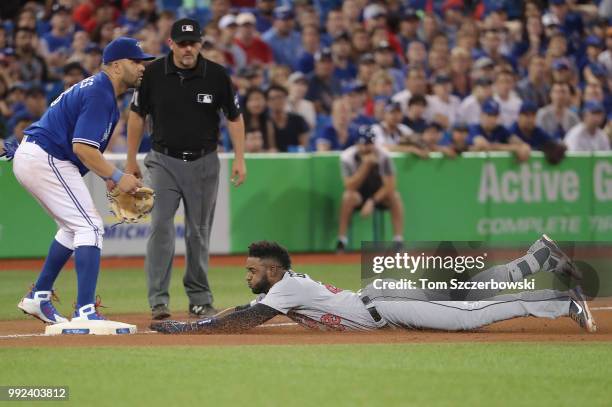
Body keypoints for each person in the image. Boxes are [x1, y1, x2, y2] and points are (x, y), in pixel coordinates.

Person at [150, 238, 596, 334]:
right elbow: (242, 310)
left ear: (272, 270)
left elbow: (245, 319)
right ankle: (538, 259)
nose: (247, 277)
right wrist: (205, 321)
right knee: (464, 292)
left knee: (468, 314)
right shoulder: (282, 288)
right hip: (380, 298)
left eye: (252, 271)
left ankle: (558, 301)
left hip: (385, 305)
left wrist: (191, 329)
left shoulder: (283, 288)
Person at [13, 37, 152, 324]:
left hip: (40, 156)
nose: (142, 67)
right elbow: (81, 147)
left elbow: (83, 148)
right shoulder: (101, 93)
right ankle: (85, 311)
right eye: (135, 61)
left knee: (72, 228)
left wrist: (107, 177)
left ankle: (39, 295)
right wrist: (116, 175)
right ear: (115, 65)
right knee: (90, 226)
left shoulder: (100, 92)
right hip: (46, 157)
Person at [125, 18, 247, 320]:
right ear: (171, 44)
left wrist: (241, 158)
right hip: (163, 160)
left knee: (199, 233)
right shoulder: (152, 73)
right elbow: (137, 116)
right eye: (182, 43)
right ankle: (158, 301)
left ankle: (199, 299)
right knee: (161, 228)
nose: (188, 48)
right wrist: (129, 161)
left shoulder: (217, 75)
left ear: (201, 43)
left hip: (204, 162)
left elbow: (234, 117)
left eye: (193, 42)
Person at [335, 127, 404, 252]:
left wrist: (372, 201)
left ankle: (398, 240)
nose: (367, 147)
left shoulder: (384, 156)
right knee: (348, 197)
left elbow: (390, 185)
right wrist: (365, 166)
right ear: (357, 144)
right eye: (364, 144)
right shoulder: (347, 157)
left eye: (370, 143)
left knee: (395, 196)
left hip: (378, 194)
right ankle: (342, 240)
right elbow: (349, 186)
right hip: (358, 194)